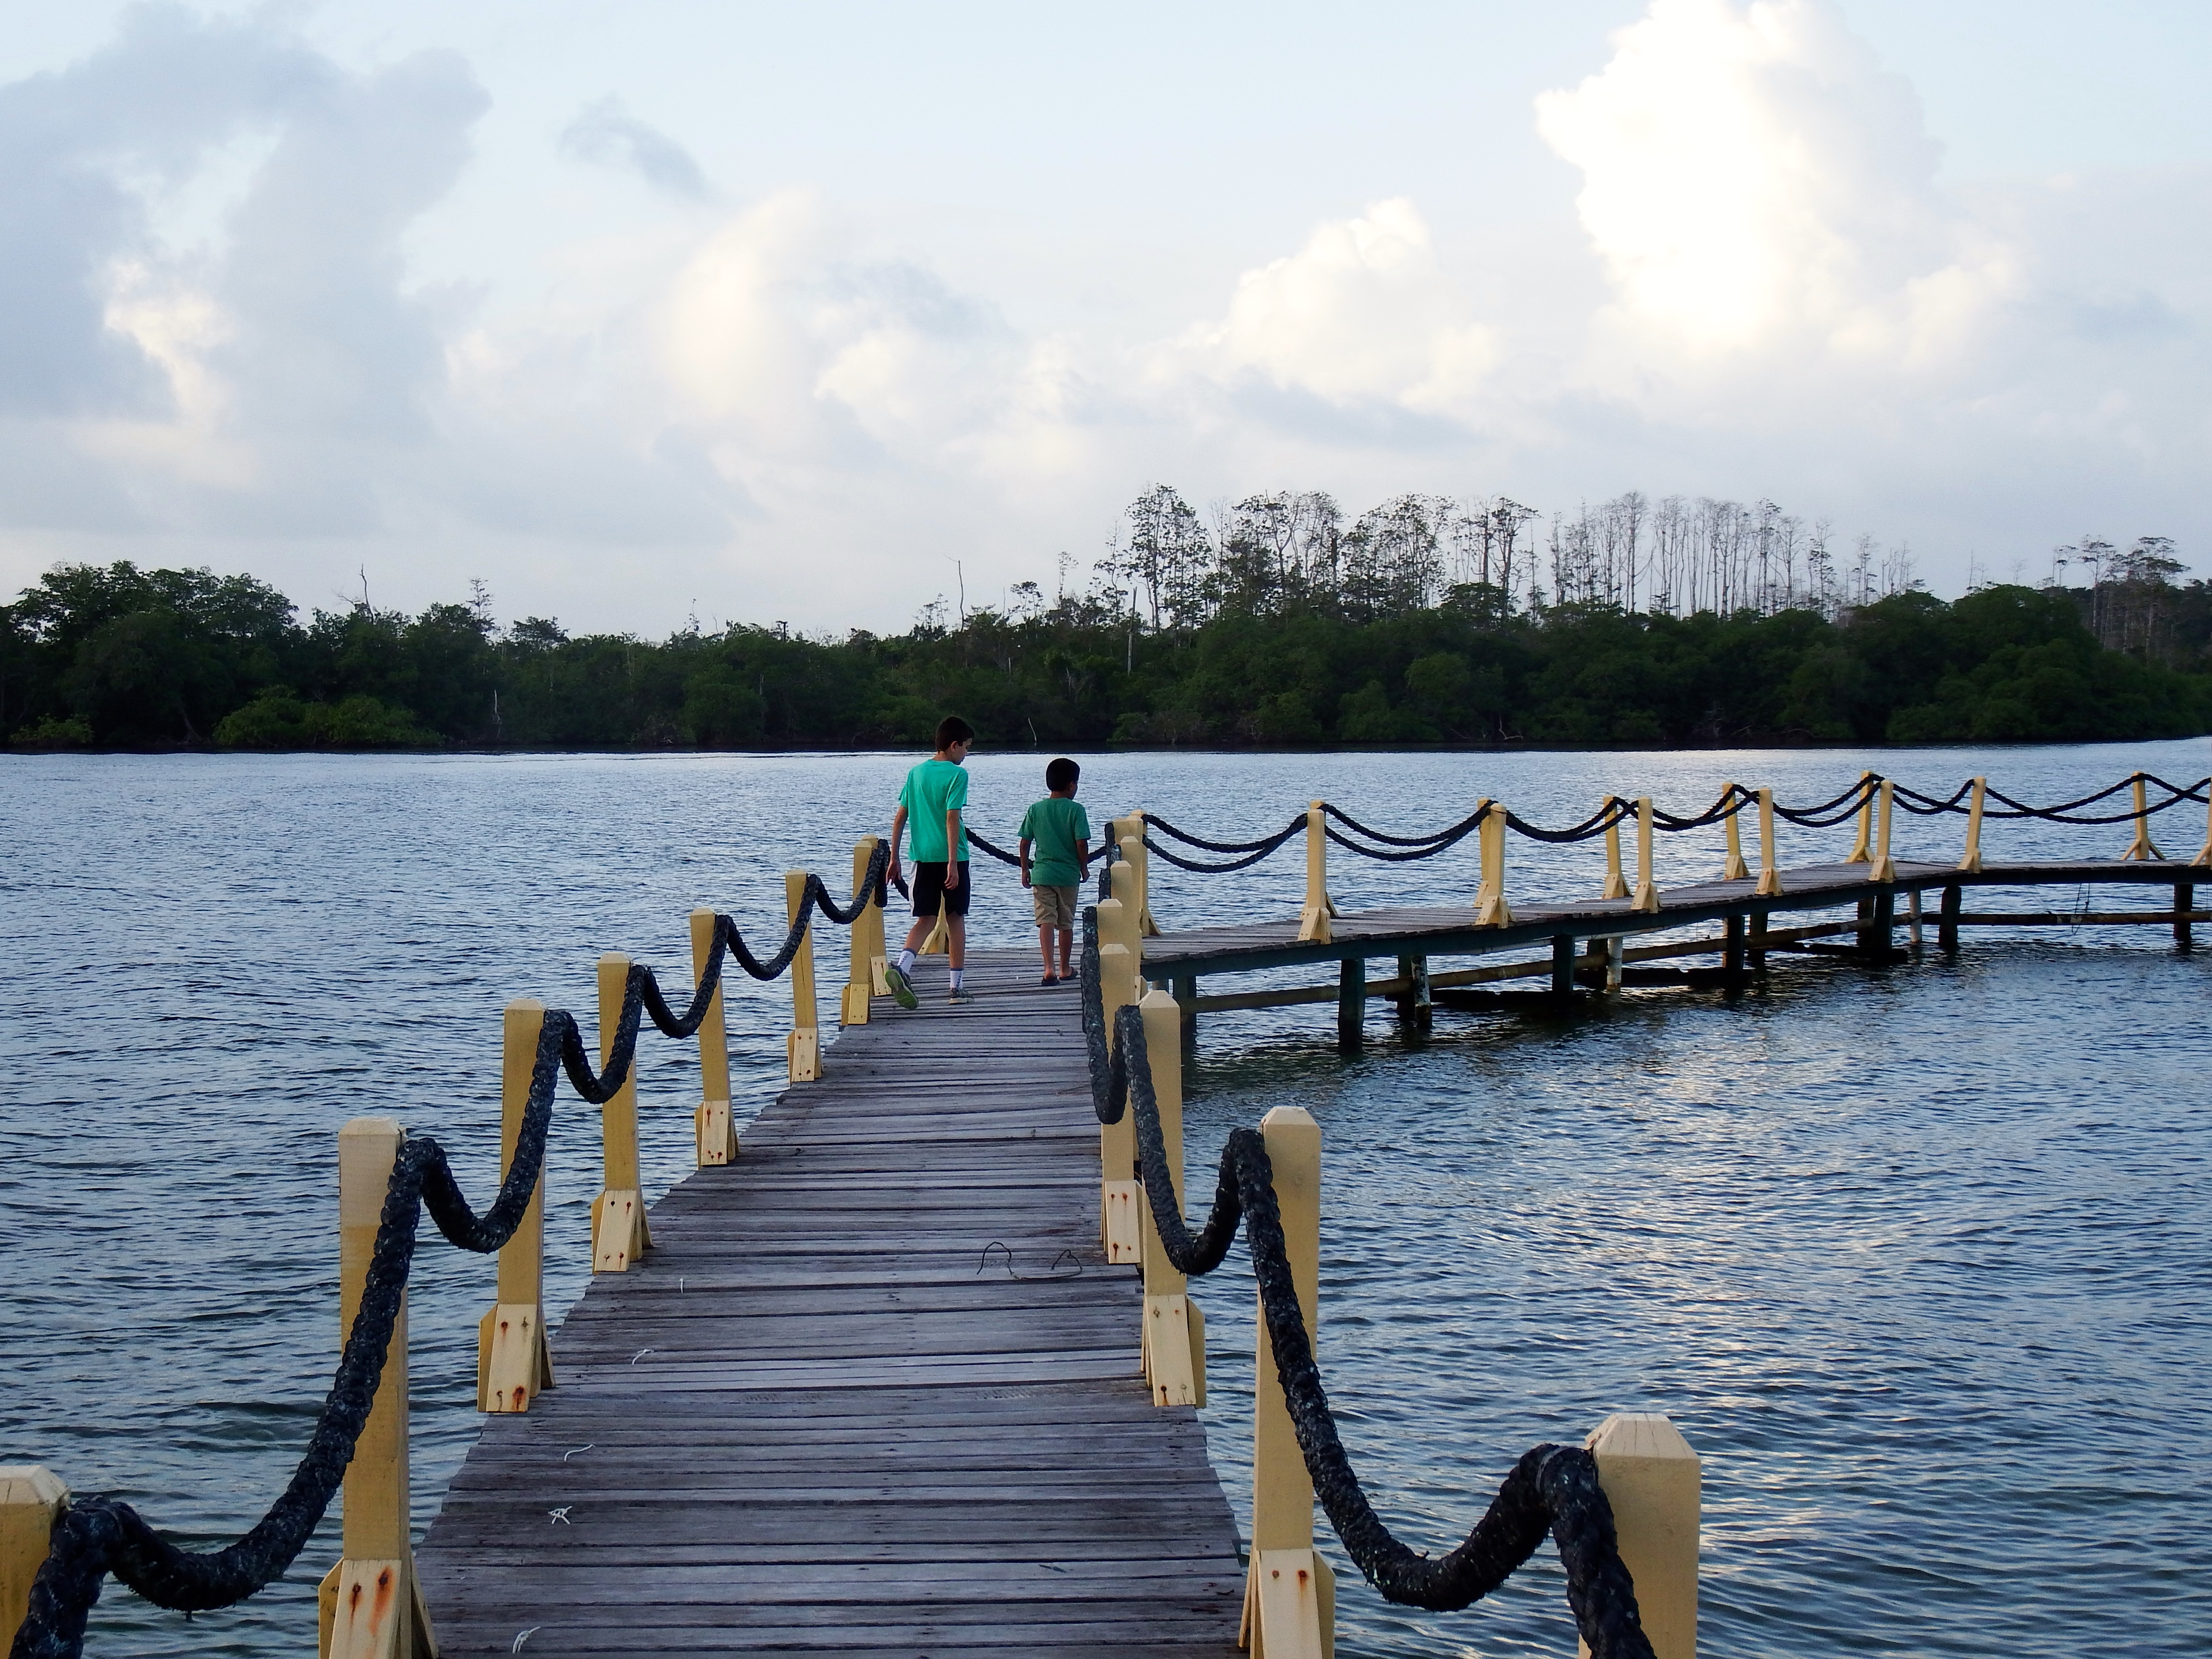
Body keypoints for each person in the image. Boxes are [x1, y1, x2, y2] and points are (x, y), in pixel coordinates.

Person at [884, 716, 975, 1008]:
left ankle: (902, 968)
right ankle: (955, 988)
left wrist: (894, 857)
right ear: (954, 745)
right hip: (953, 857)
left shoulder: (916, 773)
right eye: (966, 748)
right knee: (956, 918)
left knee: (925, 919)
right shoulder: (957, 775)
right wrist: (952, 863)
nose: (966, 754)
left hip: (921, 858)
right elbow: (952, 817)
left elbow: (900, 817)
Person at [1018, 757, 1091, 986]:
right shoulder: (1076, 811)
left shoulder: (1036, 809)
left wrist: (1024, 869)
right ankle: (1065, 968)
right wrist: (1084, 866)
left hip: (1041, 874)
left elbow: (1025, 842)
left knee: (1045, 921)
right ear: (1071, 785)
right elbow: (1081, 843)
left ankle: (1048, 968)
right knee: (1066, 923)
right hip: (1068, 876)